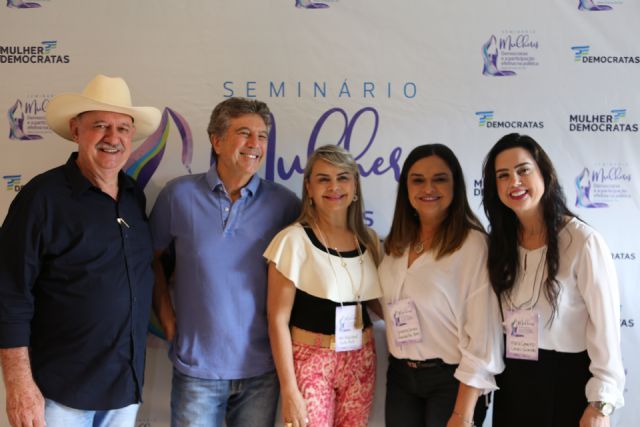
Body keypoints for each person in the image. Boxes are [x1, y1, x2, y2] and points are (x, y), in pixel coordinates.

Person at [0, 74, 161, 427]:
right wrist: (19, 385)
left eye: (122, 128)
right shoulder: (41, 199)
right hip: (59, 396)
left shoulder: (134, 197)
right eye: (100, 126)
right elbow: (9, 293)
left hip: (123, 391)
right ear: (76, 130)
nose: (112, 138)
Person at [150, 97, 300, 427]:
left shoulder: (285, 205)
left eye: (262, 136)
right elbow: (150, 259)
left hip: (261, 371)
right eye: (244, 133)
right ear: (216, 141)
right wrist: (167, 319)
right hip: (196, 370)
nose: (255, 144)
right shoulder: (178, 196)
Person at [481, 133, 625, 427]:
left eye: (523, 170)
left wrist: (600, 405)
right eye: (503, 175)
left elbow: (606, 330)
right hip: (513, 380)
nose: (514, 182)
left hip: (566, 380)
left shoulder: (582, 241)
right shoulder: (500, 243)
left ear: (544, 174)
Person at [379, 144, 504, 427]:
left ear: (455, 185)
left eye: (440, 179)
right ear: (406, 188)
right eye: (418, 180)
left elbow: (483, 338)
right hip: (401, 377)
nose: (428, 188)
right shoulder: (396, 243)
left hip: (452, 381)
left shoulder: (473, 246)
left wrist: (462, 414)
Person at [265, 144, 382, 427]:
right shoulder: (292, 240)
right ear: (309, 187)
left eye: (342, 177)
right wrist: (289, 390)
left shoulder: (369, 240)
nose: (334, 187)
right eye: (323, 179)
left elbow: (377, 302)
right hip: (311, 361)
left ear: (355, 185)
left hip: (361, 360)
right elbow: (277, 320)